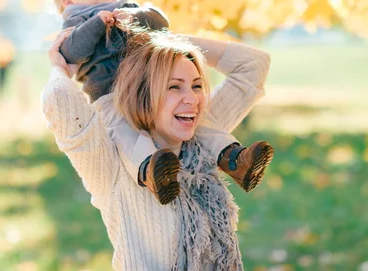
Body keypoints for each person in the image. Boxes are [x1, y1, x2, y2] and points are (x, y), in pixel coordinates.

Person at [47, 0, 273, 205]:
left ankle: (234, 159)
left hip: (150, 91)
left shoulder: (128, 8)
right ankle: (153, 169)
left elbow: (159, 20)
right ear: (67, 2)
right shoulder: (76, 24)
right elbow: (72, 52)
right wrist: (97, 24)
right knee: (126, 134)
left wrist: (140, 24)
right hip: (111, 96)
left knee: (203, 122)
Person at [42, 27, 271, 270]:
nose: (192, 100)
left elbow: (254, 65)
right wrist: (60, 67)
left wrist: (161, 38)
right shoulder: (114, 164)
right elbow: (59, 98)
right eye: (174, 87)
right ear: (143, 94)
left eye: (196, 86)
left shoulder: (203, 140)